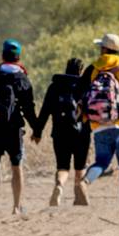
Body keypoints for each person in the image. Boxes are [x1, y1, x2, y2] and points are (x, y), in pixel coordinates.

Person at [80, 33, 119, 209]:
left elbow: (81, 95)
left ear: (104, 49)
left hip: (99, 123)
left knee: (102, 161)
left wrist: (86, 118)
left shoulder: (92, 69)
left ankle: (86, 180)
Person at [0, 40, 39, 216]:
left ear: (2, 56)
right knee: (16, 165)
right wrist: (37, 129)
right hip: (13, 129)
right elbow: (29, 109)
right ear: (18, 57)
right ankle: (16, 206)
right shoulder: (23, 80)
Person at [34, 58, 92, 204]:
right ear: (81, 70)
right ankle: (79, 195)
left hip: (60, 133)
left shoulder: (54, 86)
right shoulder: (85, 85)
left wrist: (37, 132)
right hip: (82, 132)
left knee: (63, 166)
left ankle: (59, 186)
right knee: (80, 166)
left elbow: (45, 111)